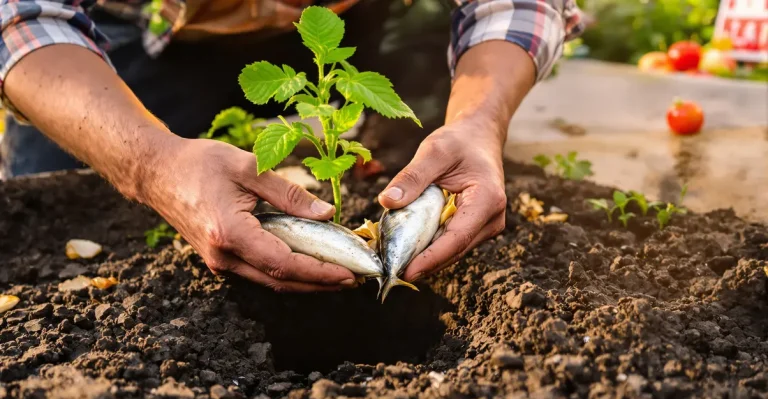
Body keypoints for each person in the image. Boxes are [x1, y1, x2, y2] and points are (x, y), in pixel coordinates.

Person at [0, 0, 583, 292]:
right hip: (129, 34)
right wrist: (152, 163)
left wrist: (478, 122)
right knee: (57, 213)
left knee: (422, 157)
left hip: (348, 22)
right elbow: (19, 14)